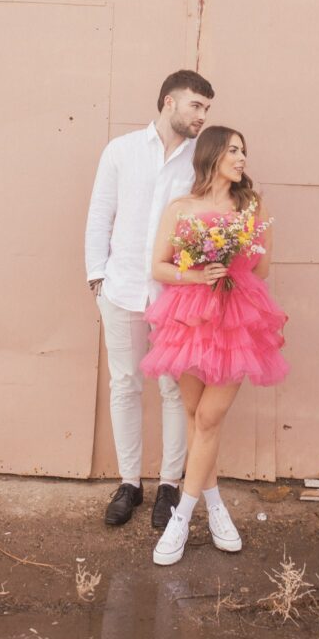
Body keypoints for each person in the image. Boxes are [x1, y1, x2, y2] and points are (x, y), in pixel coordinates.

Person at [141, 125, 289, 565]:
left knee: (209, 416)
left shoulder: (252, 205)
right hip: (188, 318)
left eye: (244, 150)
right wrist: (198, 273)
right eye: (233, 150)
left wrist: (232, 258)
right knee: (194, 415)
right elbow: (159, 266)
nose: (242, 158)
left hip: (236, 318)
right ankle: (218, 506)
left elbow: (261, 270)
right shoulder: (181, 207)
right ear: (211, 156)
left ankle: (180, 519)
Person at [85, 70, 215, 528]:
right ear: (168, 102)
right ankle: (129, 484)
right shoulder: (121, 152)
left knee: (174, 390)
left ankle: (169, 486)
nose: (202, 116)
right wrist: (97, 277)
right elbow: (101, 212)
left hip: (175, 296)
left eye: (206, 109)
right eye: (195, 106)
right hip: (120, 289)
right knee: (125, 385)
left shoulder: (202, 160)